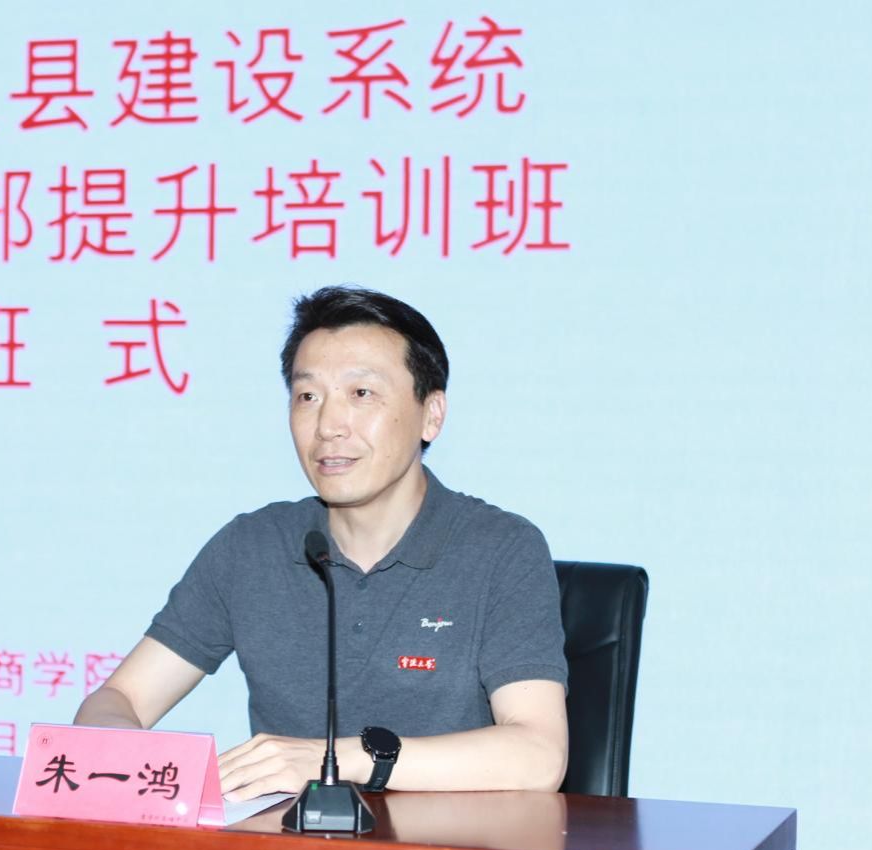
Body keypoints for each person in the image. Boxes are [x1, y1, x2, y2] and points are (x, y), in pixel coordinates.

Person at [75, 286, 569, 800]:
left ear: (432, 414)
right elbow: (118, 698)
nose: (329, 426)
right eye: (307, 397)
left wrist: (337, 760)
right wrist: (124, 758)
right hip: (288, 849)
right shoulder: (252, 547)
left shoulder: (501, 549)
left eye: (362, 393)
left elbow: (539, 756)